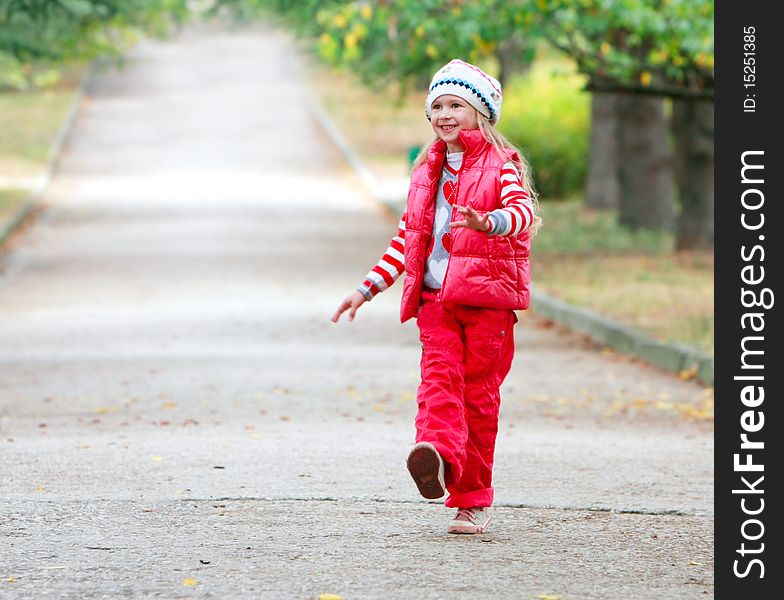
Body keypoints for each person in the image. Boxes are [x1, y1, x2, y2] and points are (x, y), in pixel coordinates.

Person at [332, 59, 540, 534]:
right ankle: (437, 456)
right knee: (438, 382)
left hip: (487, 304)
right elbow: (409, 238)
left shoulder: (500, 165)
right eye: (437, 105)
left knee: (477, 399)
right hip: (436, 302)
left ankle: (471, 500)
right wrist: (367, 289)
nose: (445, 114)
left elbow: (522, 212)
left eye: (457, 105)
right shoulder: (426, 169)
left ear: (481, 113)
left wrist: (489, 223)